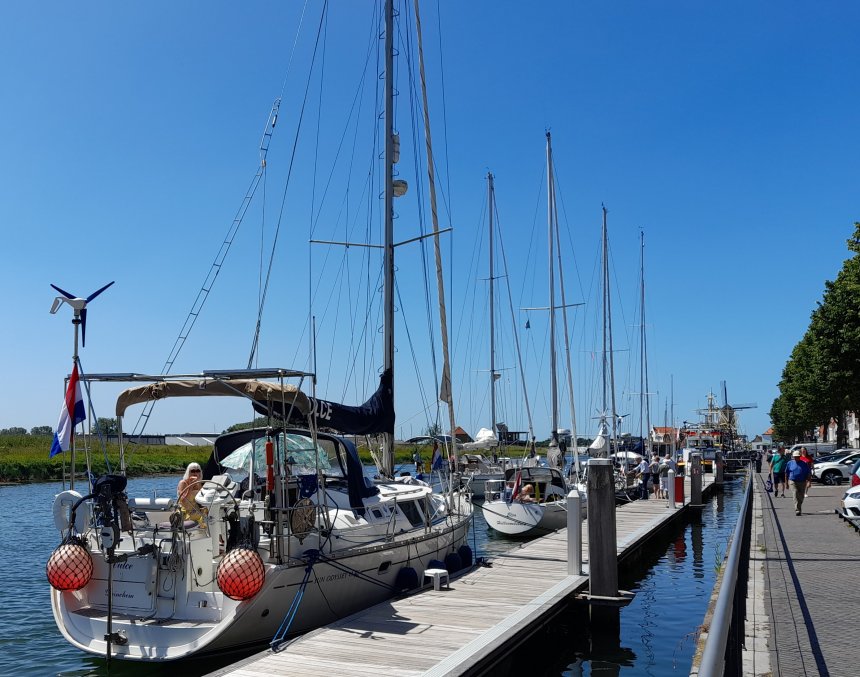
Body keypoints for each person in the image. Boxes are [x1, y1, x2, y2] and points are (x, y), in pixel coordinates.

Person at [786, 450, 811, 515]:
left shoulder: (804, 463)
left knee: (801, 496)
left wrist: (809, 481)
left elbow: (808, 473)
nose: (796, 458)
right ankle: (797, 510)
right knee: (795, 493)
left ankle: (799, 506)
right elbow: (786, 473)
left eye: (797, 456)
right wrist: (786, 483)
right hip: (792, 481)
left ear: (799, 456)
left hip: (802, 481)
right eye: (794, 457)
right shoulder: (790, 463)